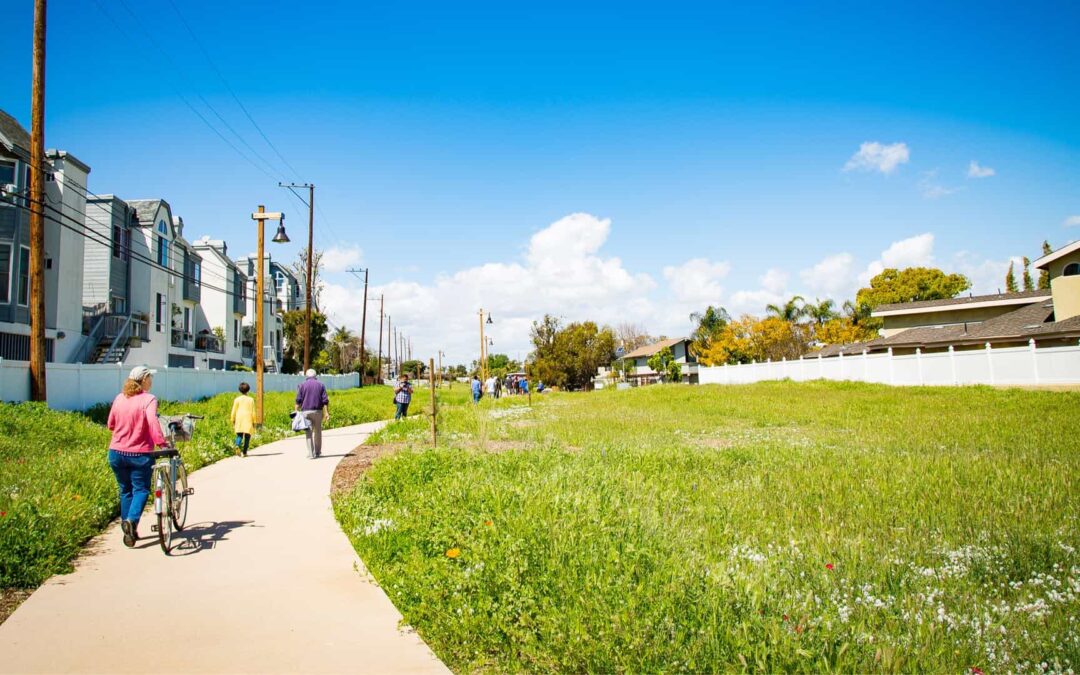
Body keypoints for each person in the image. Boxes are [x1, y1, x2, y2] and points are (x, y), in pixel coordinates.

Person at [106, 366, 168, 548]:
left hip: (116, 453)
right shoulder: (149, 399)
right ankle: (131, 521)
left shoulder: (119, 397)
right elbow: (152, 422)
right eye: (150, 377)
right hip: (139, 454)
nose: (151, 381)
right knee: (141, 490)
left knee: (125, 490)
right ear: (144, 380)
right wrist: (161, 442)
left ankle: (128, 531)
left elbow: (111, 424)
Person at [295, 369, 330, 459]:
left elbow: (298, 400)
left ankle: (311, 453)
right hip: (318, 411)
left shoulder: (302, 385)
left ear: (306, 376)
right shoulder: (321, 385)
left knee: (308, 432)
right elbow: (325, 401)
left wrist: (296, 412)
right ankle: (318, 452)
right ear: (315, 376)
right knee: (318, 432)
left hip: (305, 412)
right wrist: (326, 413)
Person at [230, 382, 255, 457]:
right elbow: (253, 412)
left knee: (239, 435)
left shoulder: (237, 399)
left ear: (240, 390)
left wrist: (233, 419)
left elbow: (233, 410)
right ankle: (244, 452)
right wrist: (254, 421)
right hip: (248, 419)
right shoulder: (251, 400)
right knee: (247, 436)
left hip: (239, 419)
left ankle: (237, 445)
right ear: (248, 390)